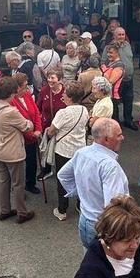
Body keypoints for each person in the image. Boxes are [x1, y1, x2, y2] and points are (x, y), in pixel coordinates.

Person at [59, 118, 129, 247]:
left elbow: (62, 175)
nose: (122, 138)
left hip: (84, 220)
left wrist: (80, 192)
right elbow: (114, 206)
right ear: (106, 139)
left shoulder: (81, 152)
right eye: (118, 135)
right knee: (108, 265)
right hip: (102, 226)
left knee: (90, 261)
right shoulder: (110, 166)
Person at [0, 76, 36, 224]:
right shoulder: (11, 111)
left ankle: (5, 210)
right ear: (11, 94)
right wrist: (29, 122)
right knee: (18, 184)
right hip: (13, 152)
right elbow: (27, 126)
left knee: (3, 182)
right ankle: (22, 212)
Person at [47, 81, 90, 222]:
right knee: (79, 178)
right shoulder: (84, 110)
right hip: (80, 149)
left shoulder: (63, 113)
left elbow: (52, 131)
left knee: (62, 179)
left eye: (65, 94)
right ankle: (80, 204)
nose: (63, 95)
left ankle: (62, 209)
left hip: (64, 150)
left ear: (70, 98)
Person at [11, 74, 43, 196]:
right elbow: (18, 123)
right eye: (25, 86)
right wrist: (31, 134)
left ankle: (30, 184)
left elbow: (36, 112)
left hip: (33, 136)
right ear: (17, 88)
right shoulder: (12, 101)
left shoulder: (27, 95)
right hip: (20, 138)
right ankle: (17, 189)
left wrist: (38, 130)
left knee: (32, 162)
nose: (27, 88)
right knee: (18, 167)